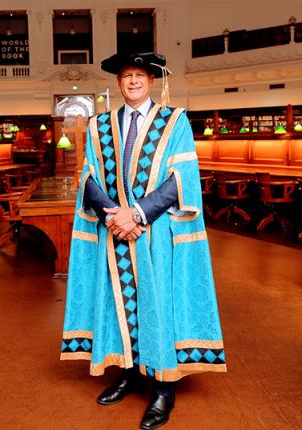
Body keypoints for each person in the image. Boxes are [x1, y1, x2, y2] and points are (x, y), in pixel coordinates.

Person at [60, 51, 227, 430]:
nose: (132, 81)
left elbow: (181, 178)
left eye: (139, 75)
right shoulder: (101, 125)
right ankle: (128, 372)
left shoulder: (174, 121)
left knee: (157, 304)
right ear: (118, 83)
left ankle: (164, 387)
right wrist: (113, 214)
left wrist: (136, 214)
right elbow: (88, 177)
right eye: (126, 76)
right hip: (114, 234)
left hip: (155, 233)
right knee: (121, 306)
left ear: (151, 81)